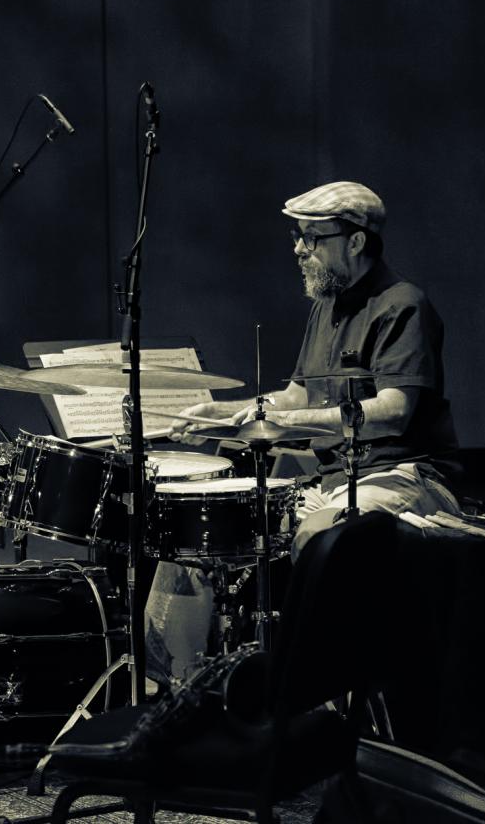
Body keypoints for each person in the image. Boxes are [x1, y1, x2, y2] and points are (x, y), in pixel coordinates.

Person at [150, 181, 461, 682]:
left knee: (321, 538)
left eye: (312, 238)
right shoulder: (327, 305)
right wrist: (222, 413)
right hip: (334, 481)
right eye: (298, 236)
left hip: (408, 477)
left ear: (355, 241)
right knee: (196, 536)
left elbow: (393, 410)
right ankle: (178, 691)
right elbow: (295, 396)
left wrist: (285, 422)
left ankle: (316, 693)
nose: (298, 249)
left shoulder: (403, 305)